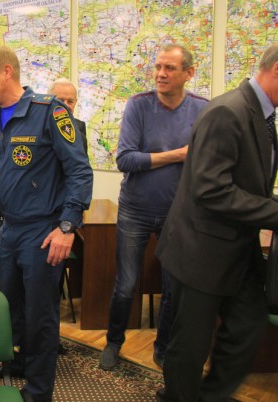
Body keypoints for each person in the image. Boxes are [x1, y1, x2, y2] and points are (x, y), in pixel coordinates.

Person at [0, 45, 93, 402]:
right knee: (11, 307)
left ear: (6, 72)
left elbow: (79, 171)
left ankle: (38, 391)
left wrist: (67, 227)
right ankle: (16, 363)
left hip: (43, 230)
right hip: (9, 229)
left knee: (40, 315)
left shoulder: (49, 112)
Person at [155, 43, 278, 402]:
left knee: (248, 327)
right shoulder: (228, 111)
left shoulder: (261, 115)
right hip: (201, 251)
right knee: (190, 345)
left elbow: (248, 183)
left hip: (237, 250)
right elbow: (211, 190)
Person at [99, 44, 209, 371]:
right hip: (135, 210)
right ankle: (113, 342)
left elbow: (205, 160)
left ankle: (163, 348)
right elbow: (125, 159)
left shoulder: (203, 109)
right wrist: (179, 155)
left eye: (169, 68)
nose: (160, 74)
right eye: (158, 67)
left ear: (188, 73)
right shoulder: (139, 105)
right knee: (126, 284)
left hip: (178, 213)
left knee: (172, 287)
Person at [48, 78, 87, 153]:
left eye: (70, 101)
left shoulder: (80, 127)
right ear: (48, 101)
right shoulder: (39, 126)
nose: (65, 105)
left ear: (75, 102)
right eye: (60, 101)